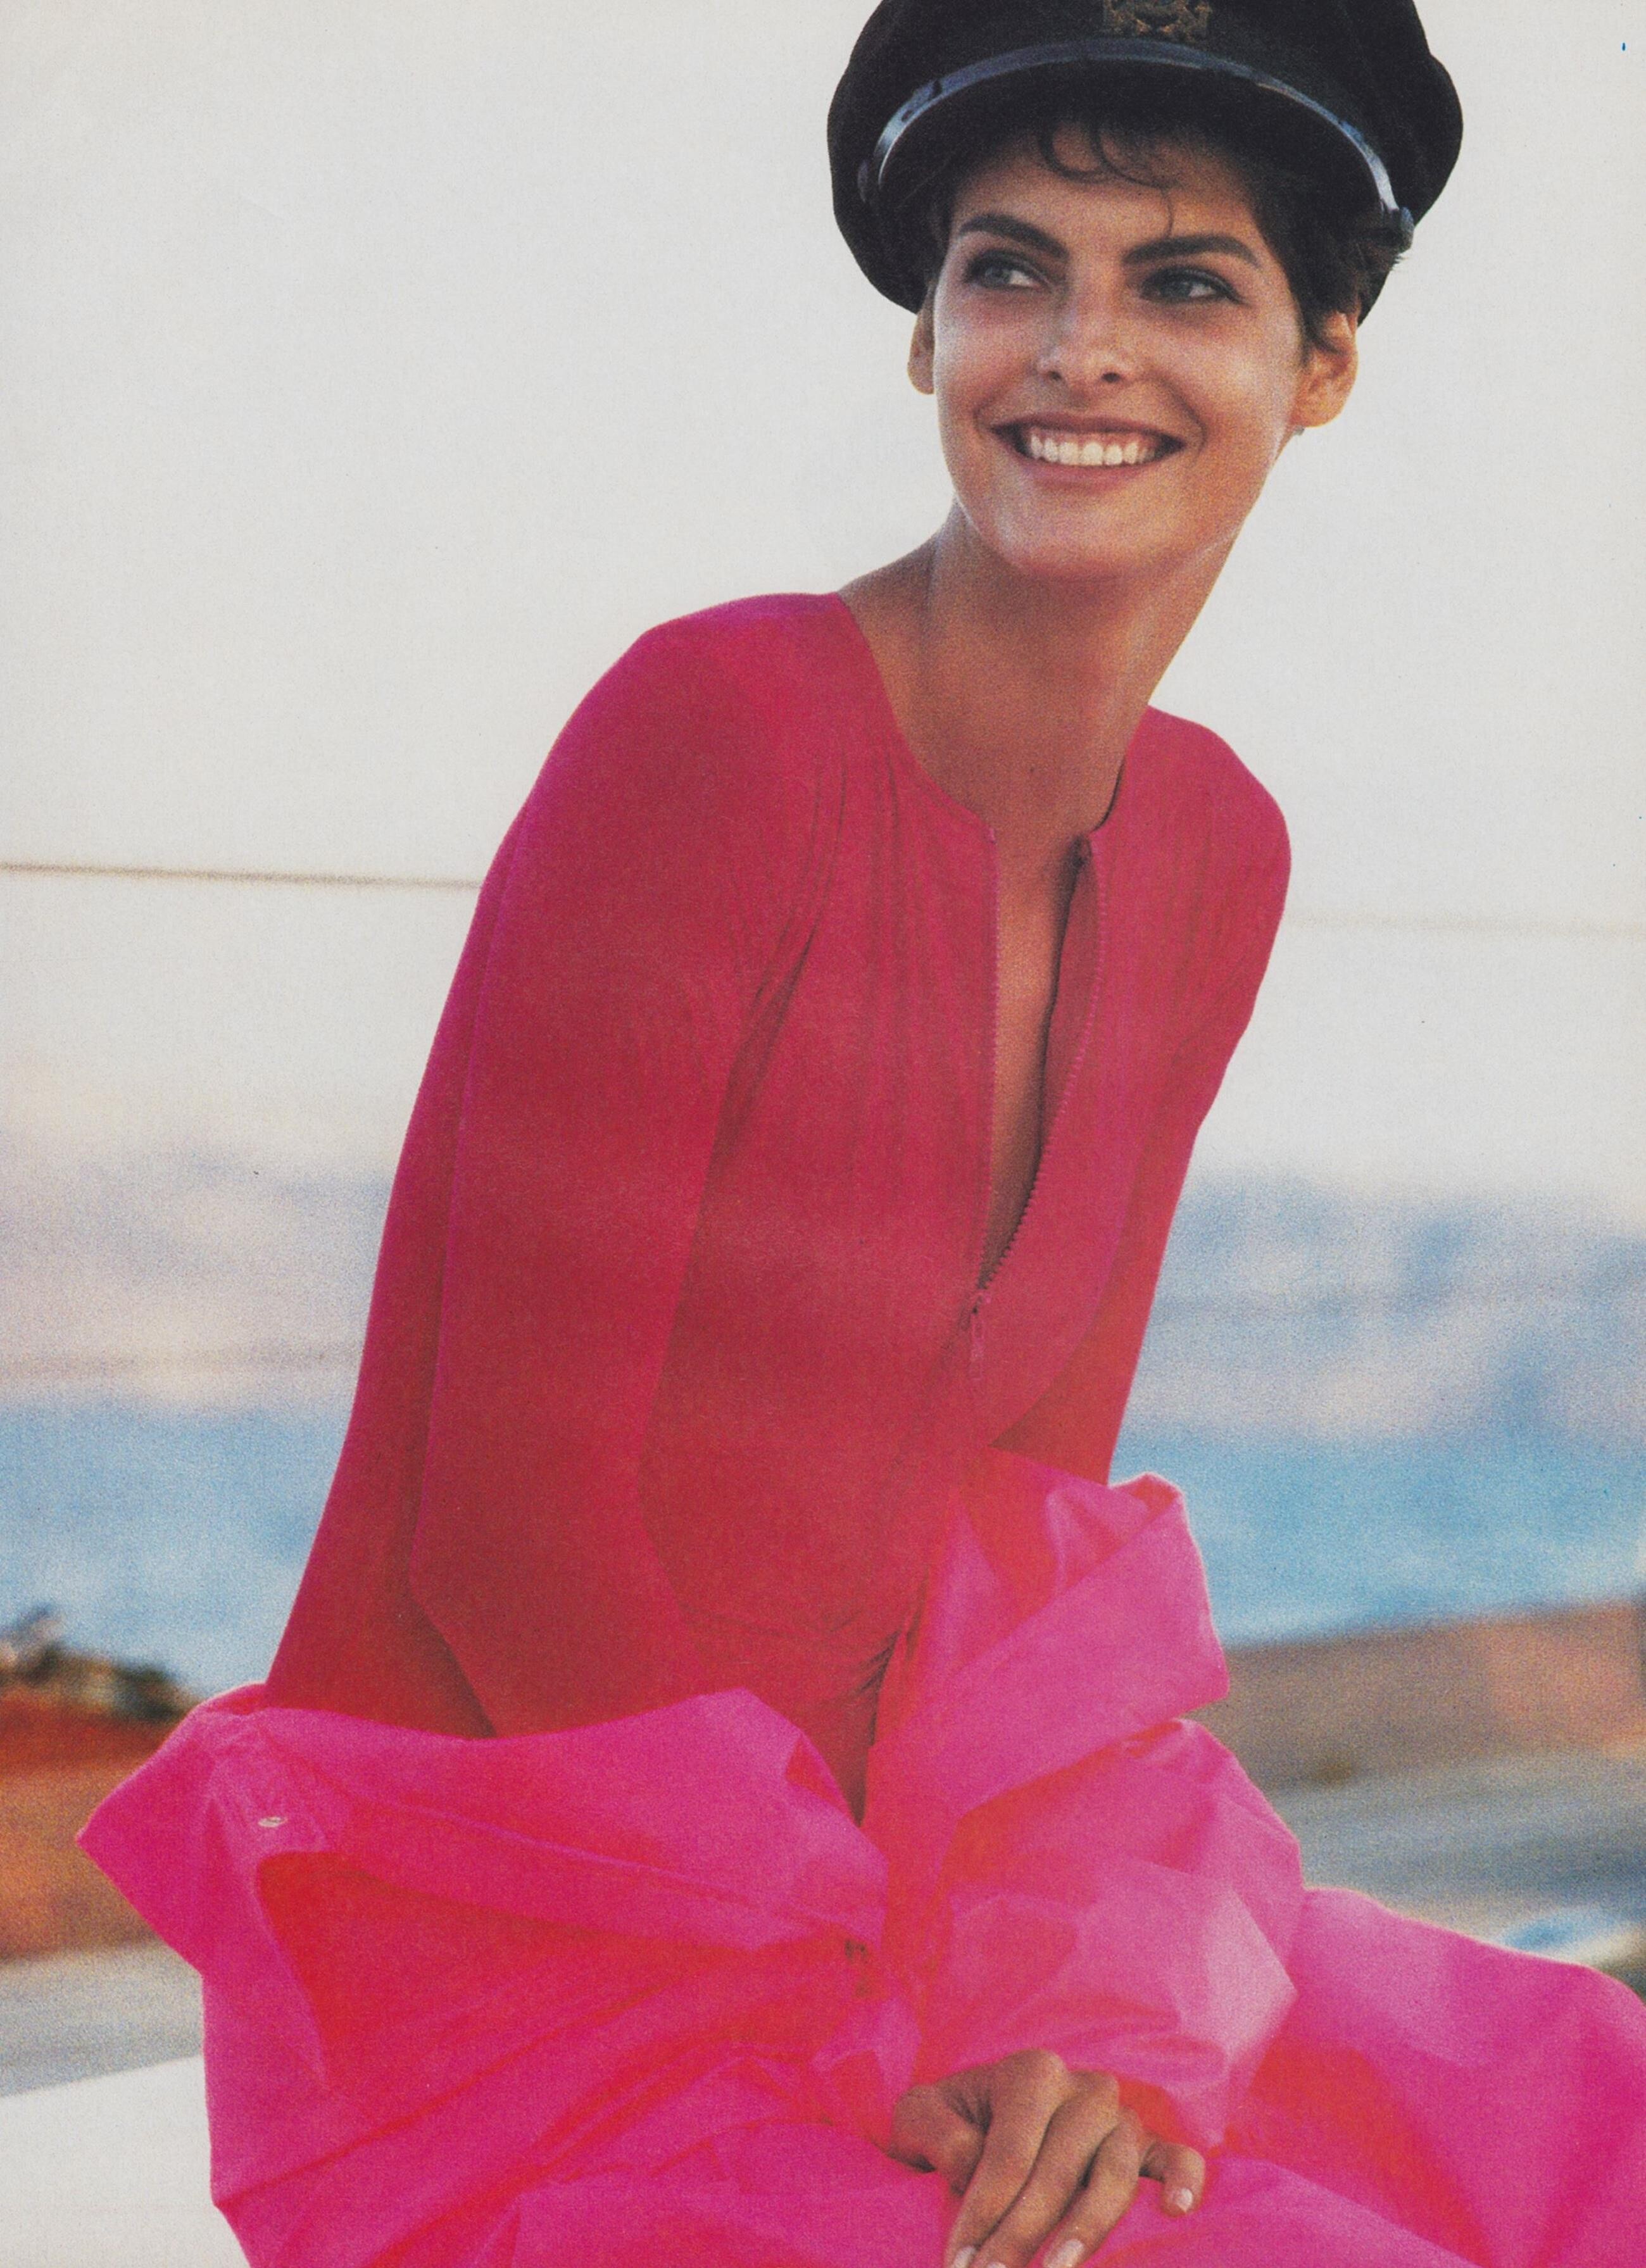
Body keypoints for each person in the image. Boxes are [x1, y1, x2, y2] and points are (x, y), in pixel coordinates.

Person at [84, 4, 1646, 2264]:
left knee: (1588, 2123)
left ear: (1321, 363)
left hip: (901, 1916)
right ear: (927, 335)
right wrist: (876, 2012)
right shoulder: (713, 733)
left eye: (1184, 282)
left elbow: (1035, 1555)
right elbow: (508, 1539)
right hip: (526, 1960)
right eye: (1010, 271)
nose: (1079, 349)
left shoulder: (1218, 851)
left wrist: (1067, 1999)